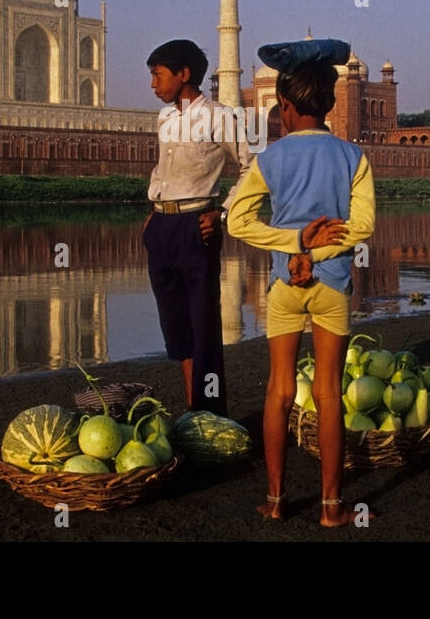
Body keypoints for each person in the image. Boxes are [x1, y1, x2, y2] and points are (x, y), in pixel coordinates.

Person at [226, 42, 375, 526]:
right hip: (331, 284)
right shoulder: (354, 156)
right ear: (330, 105)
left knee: (279, 391)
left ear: (284, 107)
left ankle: (275, 500)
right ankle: (332, 508)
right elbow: (363, 227)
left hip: (285, 283)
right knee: (329, 391)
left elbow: (238, 222)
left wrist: (294, 245)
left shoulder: (270, 160)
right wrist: (317, 250)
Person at [144, 39, 251, 416]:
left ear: (183, 74)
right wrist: (153, 212)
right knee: (174, 325)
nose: (153, 84)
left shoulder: (221, 117)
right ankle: (193, 410)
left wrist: (221, 213)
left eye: (158, 75)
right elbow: (163, 169)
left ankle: (211, 412)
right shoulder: (166, 118)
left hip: (196, 226)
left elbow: (252, 170)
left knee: (203, 322)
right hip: (161, 226)